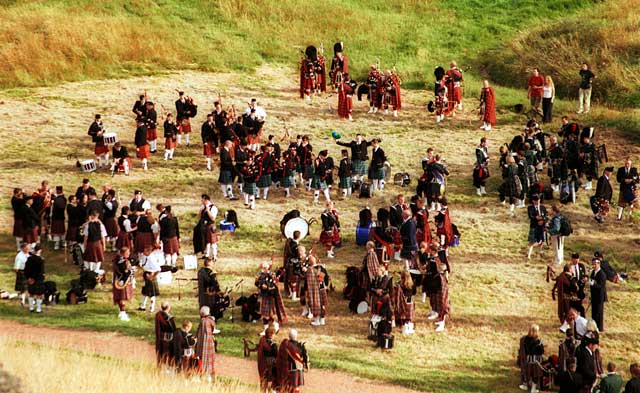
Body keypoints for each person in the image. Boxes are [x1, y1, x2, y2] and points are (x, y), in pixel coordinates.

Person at [255, 261, 288, 333]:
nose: (262, 269)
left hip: (269, 297)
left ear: (267, 268)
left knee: (267, 315)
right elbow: (257, 283)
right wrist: (260, 286)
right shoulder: (261, 275)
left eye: (264, 268)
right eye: (262, 268)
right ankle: (272, 327)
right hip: (264, 296)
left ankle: (271, 327)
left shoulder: (271, 275)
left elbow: (273, 287)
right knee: (266, 315)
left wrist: (266, 287)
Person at [424, 244, 450, 332]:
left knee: (442, 303)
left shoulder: (438, 262)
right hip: (434, 283)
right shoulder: (431, 259)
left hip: (438, 285)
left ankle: (441, 322)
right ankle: (439, 318)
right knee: (434, 298)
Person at [517, 324, 545, 393]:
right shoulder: (538, 341)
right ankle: (533, 388)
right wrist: (541, 345)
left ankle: (525, 385)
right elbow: (541, 352)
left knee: (527, 373)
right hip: (536, 361)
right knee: (535, 375)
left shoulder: (525, 339)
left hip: (528, 359)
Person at [276, 329, 306, 393]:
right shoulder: (301, 345)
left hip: (291, 369)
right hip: (299, 369)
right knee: (296, 387)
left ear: (289, 336)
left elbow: (281, 357)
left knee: (289, 388)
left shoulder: (286, 345)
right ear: (296, 336)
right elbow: (305, 358)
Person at [195, 306, 217, 379]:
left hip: (201, 343)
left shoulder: (202, 321)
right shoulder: (211, 320)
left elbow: (198, 332)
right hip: (209, 342)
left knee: (201, 358)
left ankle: (202, 374)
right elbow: (213, 329)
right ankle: (209, 375)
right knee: (210, 358)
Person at [306, 255, 328, 327]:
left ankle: (317, 320)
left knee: (316, 304)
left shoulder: (310, 270)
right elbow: (325, 277)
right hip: (321, 288)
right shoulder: (320, 268)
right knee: (322, 304)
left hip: (314, 290)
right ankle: (322, 319)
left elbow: (307, 281)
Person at [138, 245, 160, 313]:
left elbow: (158, 269)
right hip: (146, 274)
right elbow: (142, 263)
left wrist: (152, 276)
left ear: (149, 251)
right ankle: (142, 306)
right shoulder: (144, 255)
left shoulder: (152, 258)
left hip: (151, 275)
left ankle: (151, 308)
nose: (143, 252)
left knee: (151, 293)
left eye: (145, 251)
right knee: (145, 291)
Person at [257, 324, 279, 392]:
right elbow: (277, 355)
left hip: (263, 365)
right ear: (272, 335)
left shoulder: (262, 340)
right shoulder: (273, 345)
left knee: (264, 383)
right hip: (270, 366)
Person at [24, 245, 45, 313]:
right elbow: (40, 271)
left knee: (31, 293)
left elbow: (26, 269)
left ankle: (31, 308)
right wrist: (35, 279)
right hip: (38, 279)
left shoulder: (29, 258)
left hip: (30, 279)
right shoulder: (40, 259)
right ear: (39, 250)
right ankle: (38, 309)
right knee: (39, 294)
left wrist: (29, 278)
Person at [154, 301, 176, 368]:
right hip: (168, 340)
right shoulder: (168, 318)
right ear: (168, 307)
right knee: (167, 355)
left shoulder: (158, 315)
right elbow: (173, 329)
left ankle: (161, 367)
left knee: (161, 355)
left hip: (160, 338)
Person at [394, 270, 415, 335]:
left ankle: (405, 328)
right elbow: (414, 293)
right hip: (409, 302)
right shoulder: (412, 284)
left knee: (403, 316)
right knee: (409, 317)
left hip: (402, 302)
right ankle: (409, 328)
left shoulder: (399, 285)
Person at [526, 195, 547, 259]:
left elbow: (546, 216)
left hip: (541, 226)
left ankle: (538, 254)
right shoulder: (530, 208)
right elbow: (530, 216)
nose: (537, 202)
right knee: (531, 241)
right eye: (536, 201)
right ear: (533, 201)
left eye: (538, 201)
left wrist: (543, 220)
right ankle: (528, 254)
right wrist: (536, 218)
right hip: (534, 226)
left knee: (541, 241)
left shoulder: (542, 207)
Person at [590, 257, 607, 331]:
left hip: (599, 297)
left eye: (595, 264)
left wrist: (593, 284)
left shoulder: (602, 274)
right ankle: (594, 326)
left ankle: (599, 328)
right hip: (594, 296)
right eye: (592, 264)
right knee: (594, 312)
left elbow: (601, 286)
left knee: (598, 313)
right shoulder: (593, 272)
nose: (593, 266)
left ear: (598, 264)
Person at [49, 186, 67, 251]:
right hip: (61, 217)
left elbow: (55, 208)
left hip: (56, 217)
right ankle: (62, 243)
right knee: (61, 231)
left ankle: (57, 245)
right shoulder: (64, 199)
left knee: (57, 232)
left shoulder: (56, 199)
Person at [13, 242, 30, 307]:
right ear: (23, 248)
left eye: (28, 248)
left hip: (26, 271)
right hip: (21, 272)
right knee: (22, 289)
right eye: (27, 248)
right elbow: (16, 268)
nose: (28, 249)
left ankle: (22, 299)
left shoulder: (27, 254)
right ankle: (22, 301)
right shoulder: (19, 256)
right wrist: (20, 274)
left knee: (26, 288)